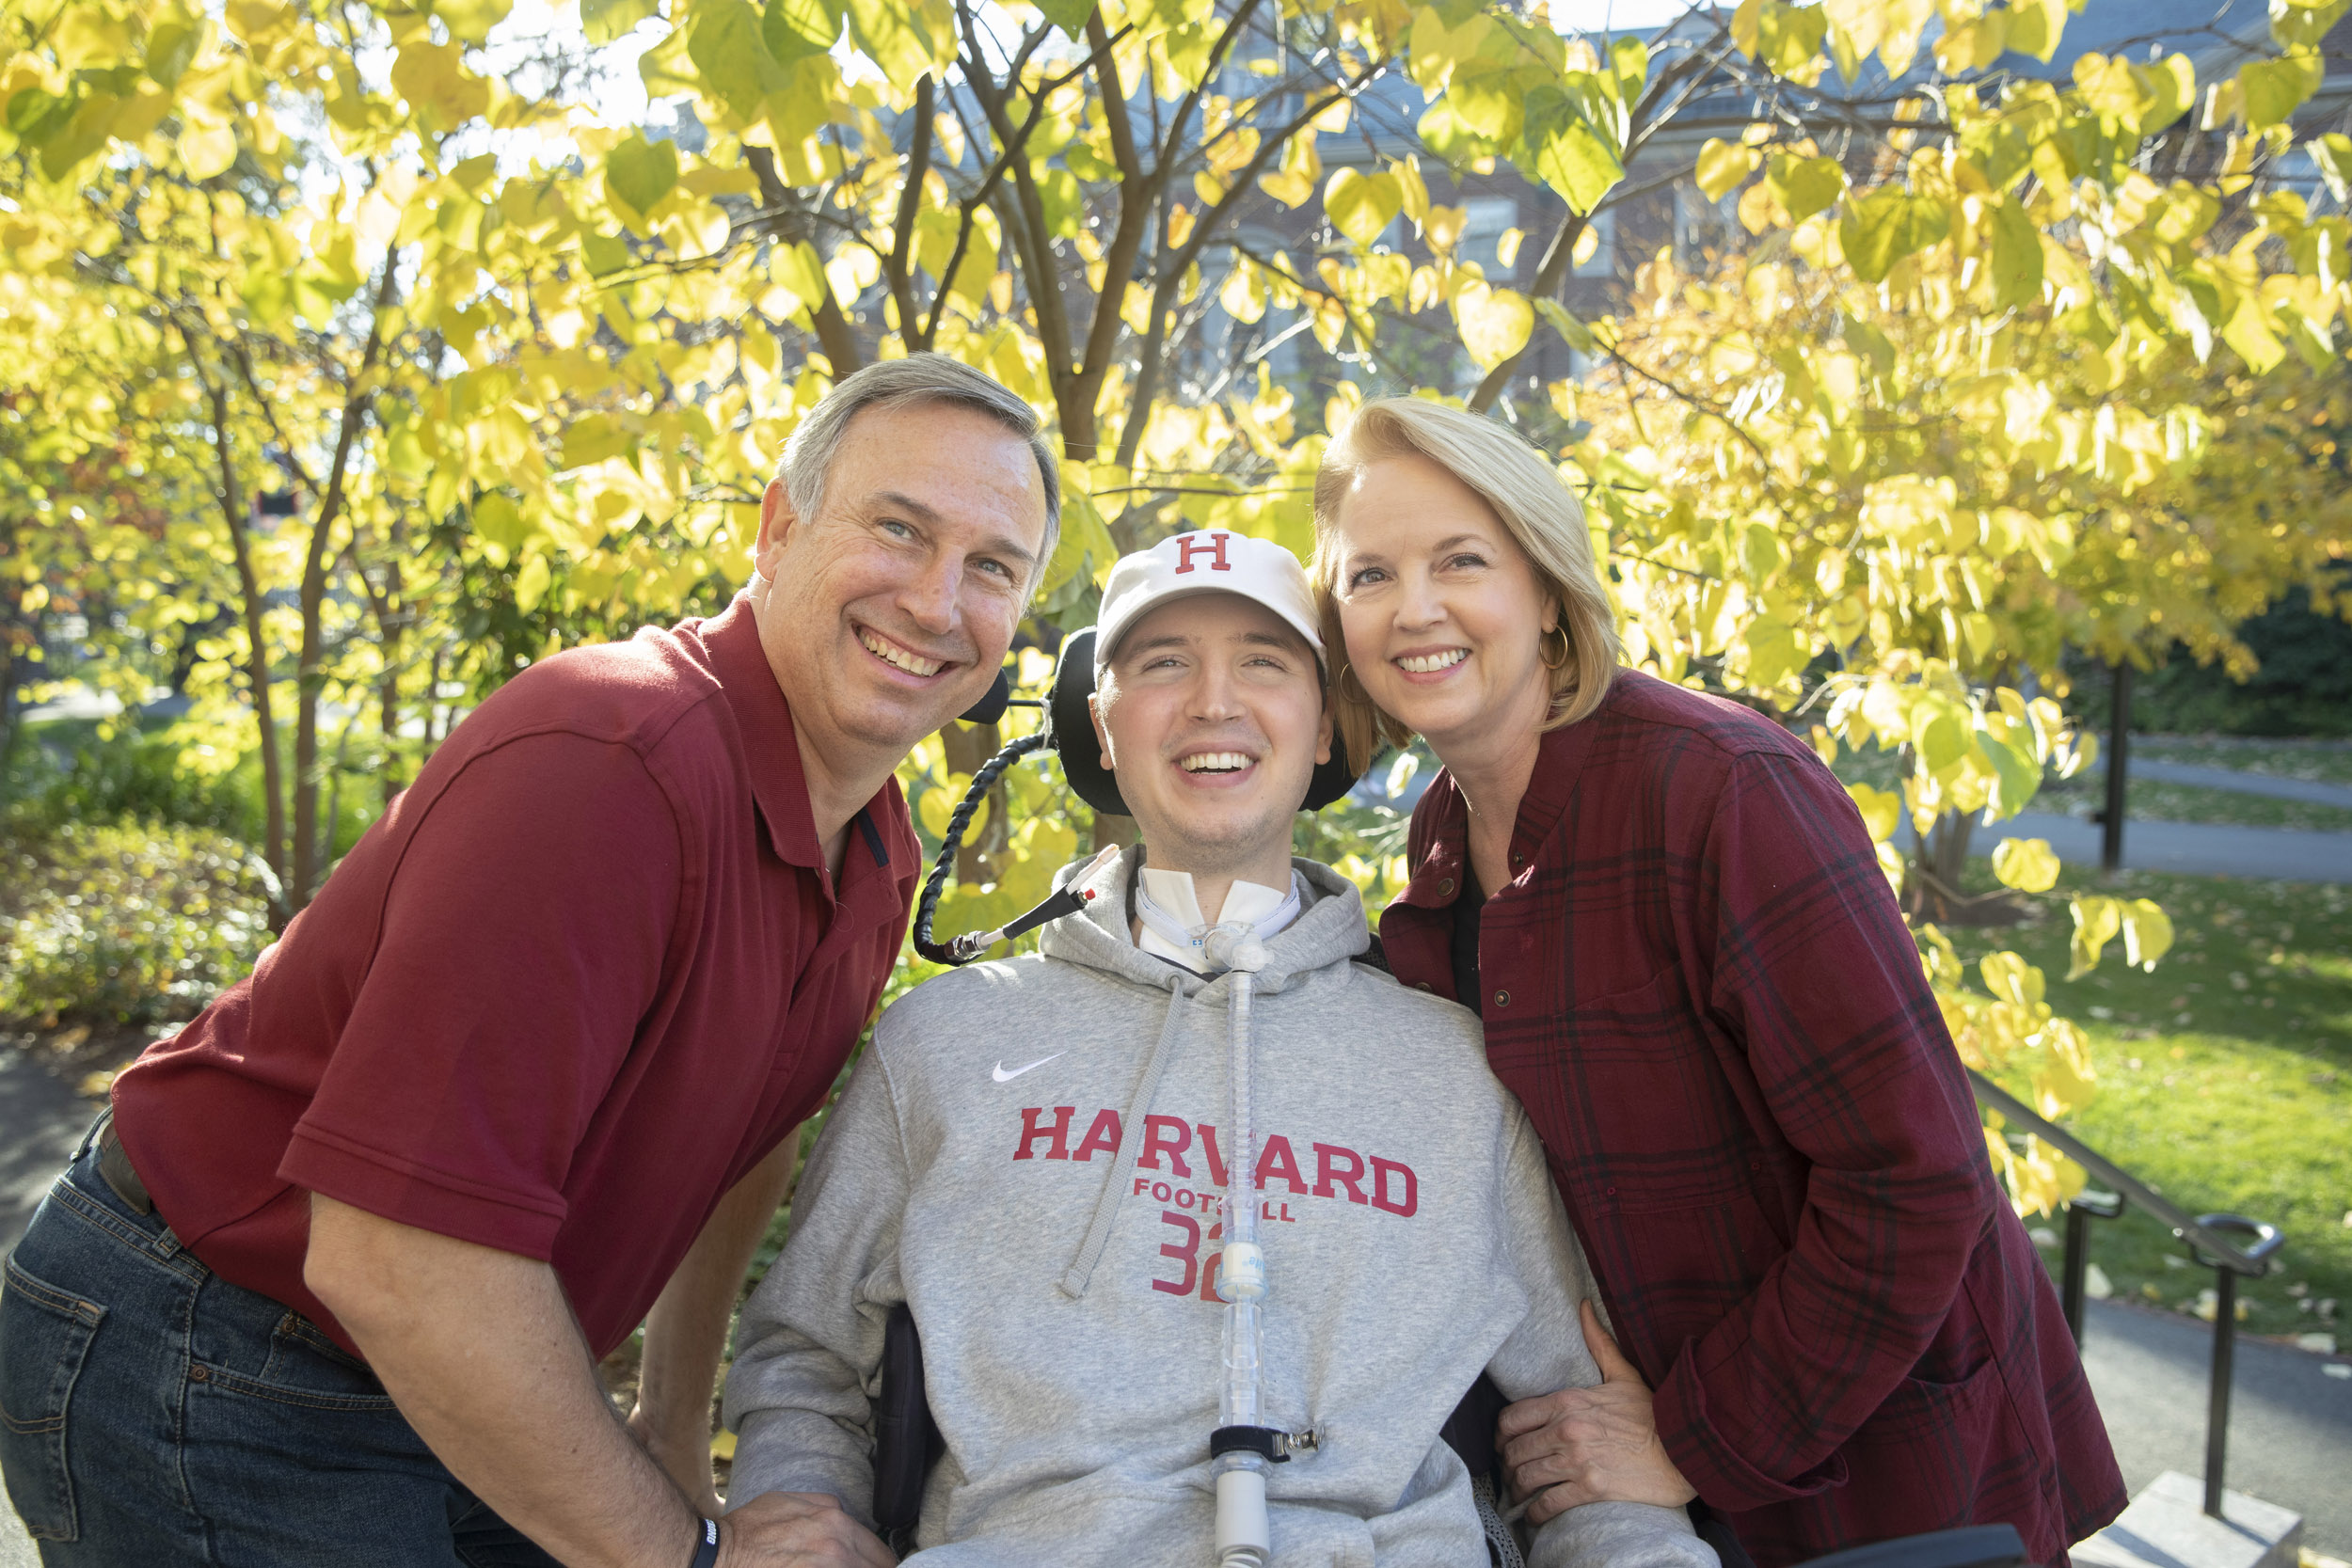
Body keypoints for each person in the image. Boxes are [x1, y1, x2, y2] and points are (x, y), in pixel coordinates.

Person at [0, 355, 1058, 1568]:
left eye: (992, 567)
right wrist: (689, 1553)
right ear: (778, 529)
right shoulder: (612, 762)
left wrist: (670, 1430)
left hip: (468, 1353)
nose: (936, 601)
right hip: (224, 1345)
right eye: (898, 528)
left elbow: (744, 1142)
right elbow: (390, 1256)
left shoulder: (876, 855)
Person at [719, 530, 1720, 1568]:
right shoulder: (944, 1043)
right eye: (1162, 664)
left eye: (1263, 660)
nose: (1213, 701)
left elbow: (1586, 1444)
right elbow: (804, 1360)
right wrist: (793, 1501)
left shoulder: (1458, 1069)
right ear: (1100, 726)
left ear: (1328, 721)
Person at [1308, 398, 2126, 1567]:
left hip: (1883, 1468)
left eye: (1461, 560)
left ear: (1544, 589)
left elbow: (1915, 1173)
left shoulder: (1721, 790)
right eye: (1370, 573)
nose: (1415, 607)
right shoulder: (1444, 838)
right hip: (1649, 1492)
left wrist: (1694, 1438)